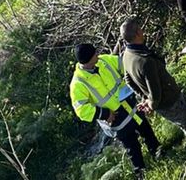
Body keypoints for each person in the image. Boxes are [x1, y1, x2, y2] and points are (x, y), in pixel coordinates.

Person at [119, 18, 186, 180]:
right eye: (140, 29)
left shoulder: (126, 55)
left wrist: (144, 98)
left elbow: (128, 80)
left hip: (166, 107)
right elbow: (156, 94)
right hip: (172, 102)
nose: (143, 31)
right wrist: (150, 102)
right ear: (137, 34)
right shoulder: (145, 60)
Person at [69, 43, 160, 179]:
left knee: (146, 129)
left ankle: (158, 152)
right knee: (132, 146)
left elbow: (126, 65)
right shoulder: (78, 83)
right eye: (94, 54)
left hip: (131, 105)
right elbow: (81, 110)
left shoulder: (104, 61)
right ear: (88, 59)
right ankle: (141, 172)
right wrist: (104, 114)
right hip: (115, 118)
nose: (98, 55)